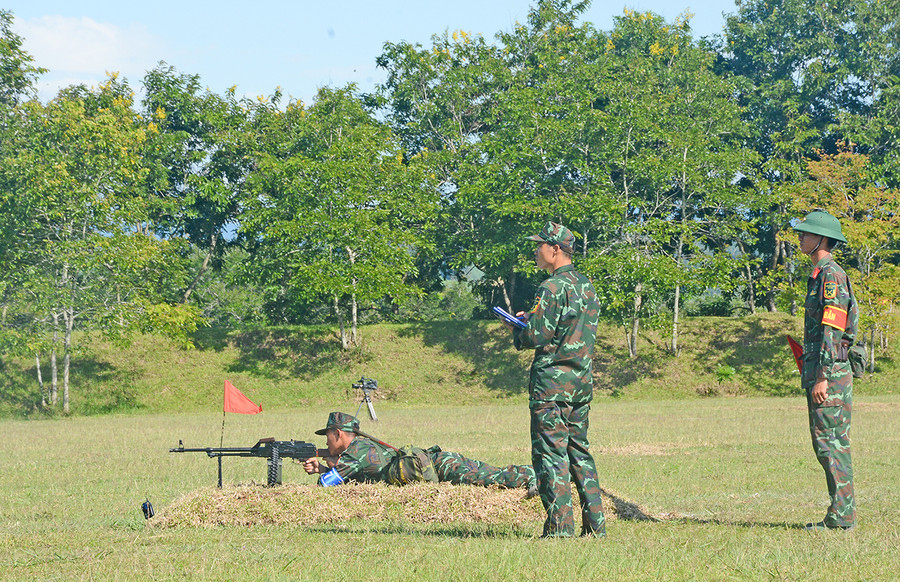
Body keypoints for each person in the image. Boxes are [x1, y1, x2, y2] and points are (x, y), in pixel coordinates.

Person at [503, 222, 605, 538]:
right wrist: (532, 321)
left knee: (550, 455)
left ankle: (560, 529)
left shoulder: (551, 288)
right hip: (580, 384)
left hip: (551, 386)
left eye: (540, 245)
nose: (536, 251)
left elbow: (537, 336)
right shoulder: (587, 286)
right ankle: (596, 527)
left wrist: (518, 329)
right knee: (579, 453)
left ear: (555, 249)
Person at [792, 210, 858, 531]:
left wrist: (822, 376)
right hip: (824, 369)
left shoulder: (831, 276)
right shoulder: (820, 274)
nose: (800, 237)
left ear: (822, 239)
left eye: (806, 233)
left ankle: (842, 518)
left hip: (828, 374)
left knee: (832, 443)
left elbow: (833, 329)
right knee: (827, 443)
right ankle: (841, 514)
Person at [303, 411, 537, 493]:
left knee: (488, 478)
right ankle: (539, 472)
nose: (326, 441)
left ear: (338, 433)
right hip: (437, 461)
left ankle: (536, 478)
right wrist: (324, 465)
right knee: (492, 472)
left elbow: (326, 485)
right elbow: (356, 478)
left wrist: (323, 471)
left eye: (327, 436)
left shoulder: (356, 450)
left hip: (439, 466)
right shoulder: (360, 448)